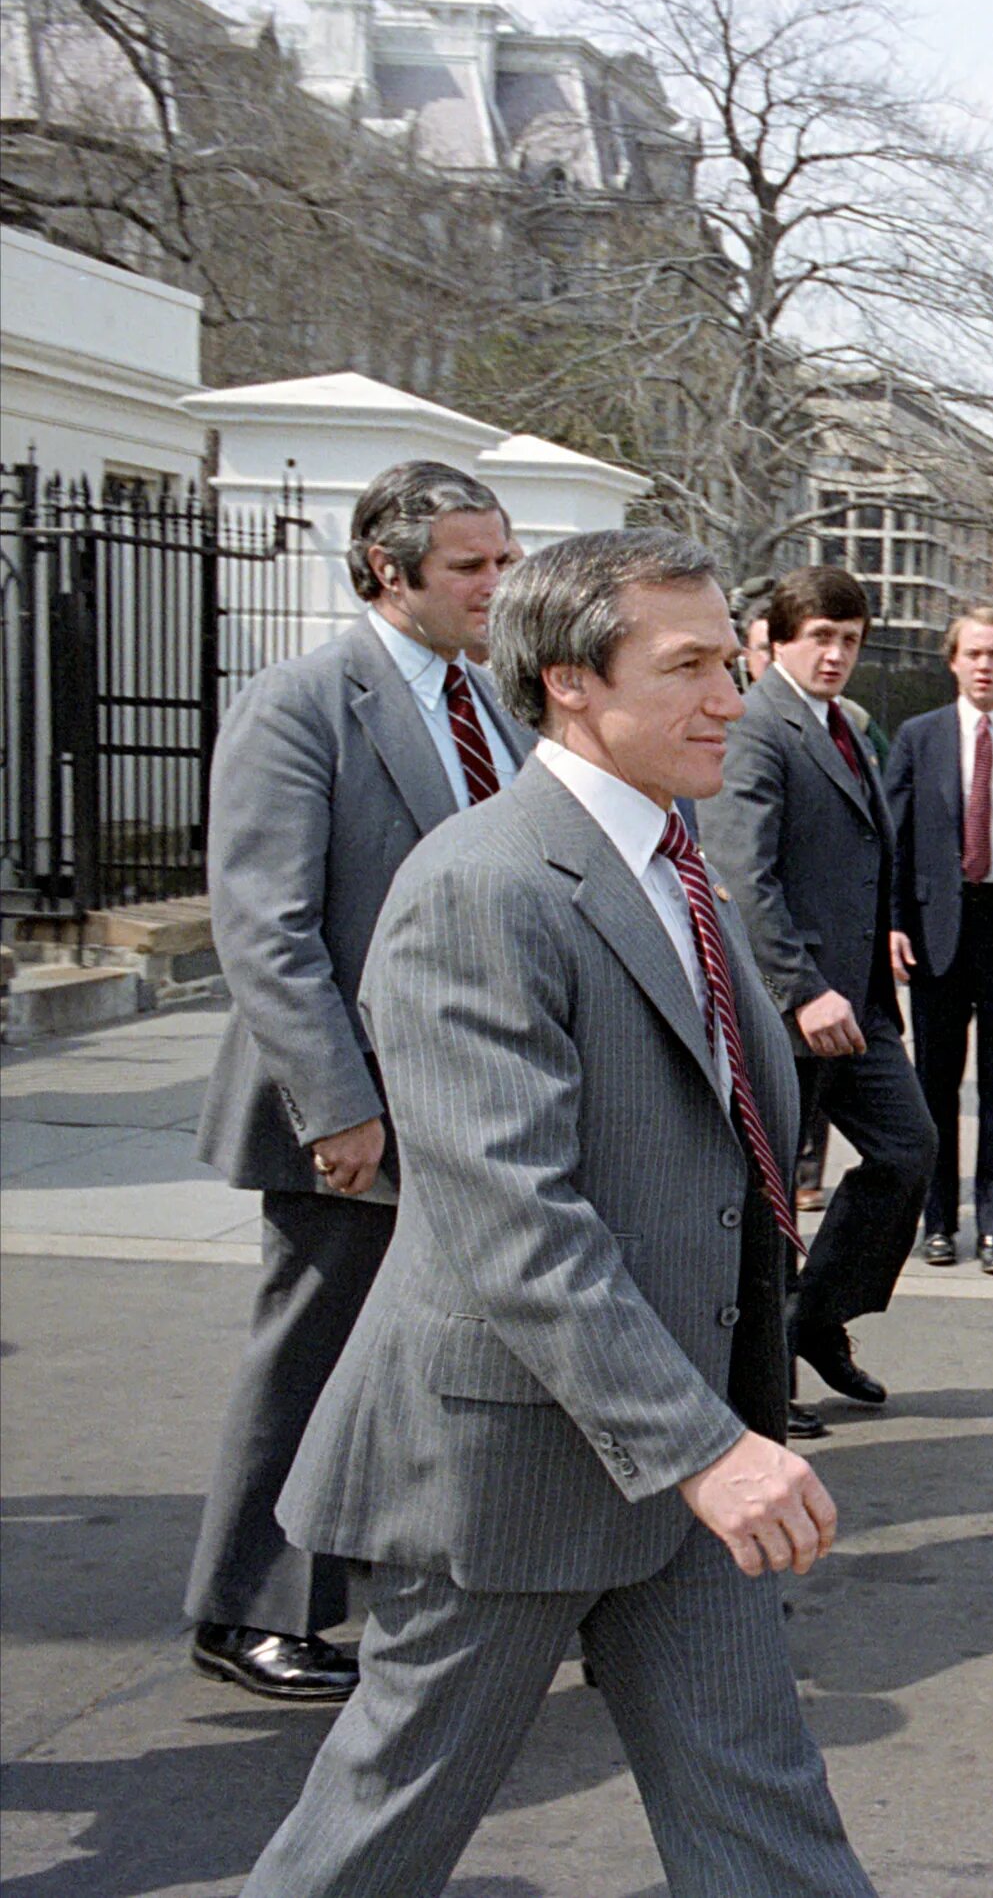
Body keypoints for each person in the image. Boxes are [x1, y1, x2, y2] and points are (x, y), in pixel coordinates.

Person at [241, 529, 872, 1897]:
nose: (732, 694)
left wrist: (716, 1426)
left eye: (734, 658)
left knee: (766, 1818)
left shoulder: (676, 855)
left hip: (683, 1449)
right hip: (515, 1462)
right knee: (373, 1835)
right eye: (690, 664)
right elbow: (514, 1219)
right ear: (571, 683)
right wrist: (704, 1445)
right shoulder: (483, 883)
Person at [188, 461, 526, 1702]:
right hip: (346, 1111)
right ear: (389, 572)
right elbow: (266, 928)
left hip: (460, 1093)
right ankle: (249, 1608)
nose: (499, 586)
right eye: (471, 568)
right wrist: (337, 1104)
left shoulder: (490, 703)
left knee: (430, 1355)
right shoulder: (301, 704)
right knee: (312, 1355)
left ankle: (407, 1573)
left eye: (503, 560)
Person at [700, 567, 936, 1418]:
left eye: (849, 639)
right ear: (778, 640)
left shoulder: (843, 726)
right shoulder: (758, 727)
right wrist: (799, 988)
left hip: (861, 1003)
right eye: (820, 638)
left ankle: (816, 1316)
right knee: (767, 1201)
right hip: (791, 1009)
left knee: (909, 1149)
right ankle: (764, 1379)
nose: (835, 654)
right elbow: (743, 874)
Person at [883, 605, 993, 1276]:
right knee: (934, 1084)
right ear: (952, 661)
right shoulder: (919, 737)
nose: (985, 666)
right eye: (973, 653)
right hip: (937, 931)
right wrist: (894, 920)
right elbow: (896, 838)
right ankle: (936, 1221)